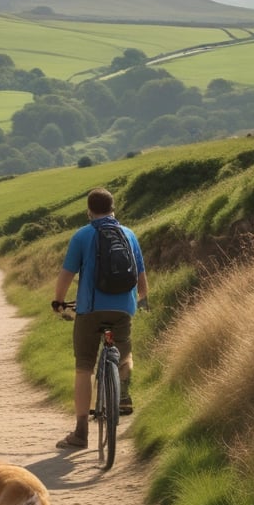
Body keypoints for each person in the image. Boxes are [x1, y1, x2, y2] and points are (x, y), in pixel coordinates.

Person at [51, 187, 148, 449]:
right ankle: (123, 390)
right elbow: (141, 280)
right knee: (125, 353)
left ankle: (81, 433)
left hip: (90, 311)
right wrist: (138, 300)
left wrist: (58, 301)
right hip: (123, 310)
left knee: (84, 367)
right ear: (114, 208)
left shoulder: (82, 235)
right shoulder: (129, 235)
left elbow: (66, 275)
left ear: (89, 211)